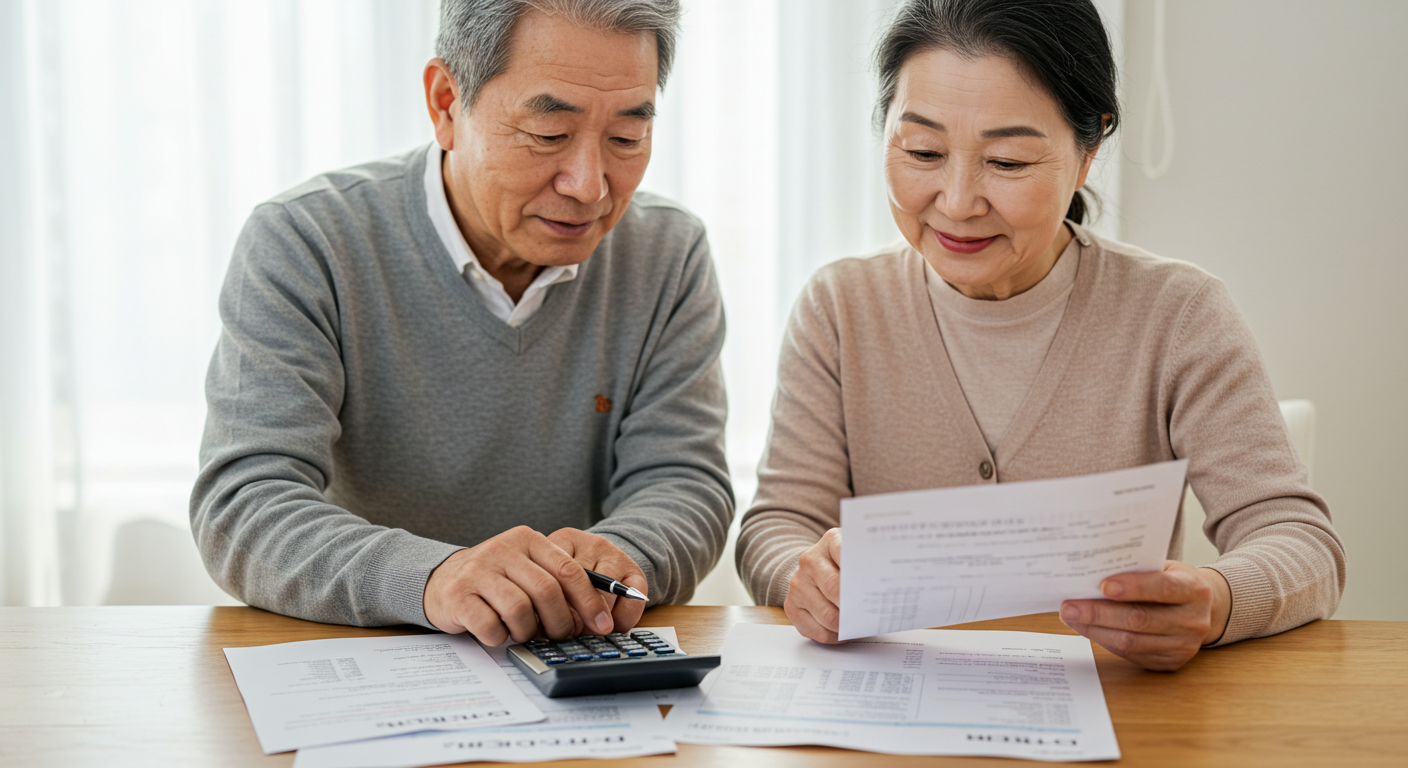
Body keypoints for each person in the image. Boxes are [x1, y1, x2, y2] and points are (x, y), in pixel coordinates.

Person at [736, 0, 1345, 671]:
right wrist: (806, 577)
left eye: (1008, 161)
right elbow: (778, 525)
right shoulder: (840, 307)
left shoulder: (1177, 314)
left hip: (1114, 700)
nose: (957, 201)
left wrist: (1218, 599)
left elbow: (1302, 544)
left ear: (1088, 153)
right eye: (923, 152)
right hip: (892, 699)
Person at [191, 0, 732, 647]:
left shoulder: (668, 254)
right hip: (373, 654)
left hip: (572, 654)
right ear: (446, 103)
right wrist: (438, 578)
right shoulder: (306, 241)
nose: (589, 186)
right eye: (549, 134)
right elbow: (243, 504)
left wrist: (617, 557)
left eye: (626, 138)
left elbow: (684, 481)